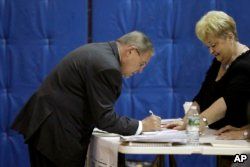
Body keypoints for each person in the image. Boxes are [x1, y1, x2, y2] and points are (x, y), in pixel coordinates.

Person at [11, 31, 161, 167]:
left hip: (49, 125)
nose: (140, 70)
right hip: (55, 133)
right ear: (131, 51)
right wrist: (142, 126)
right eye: (142, 64)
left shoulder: (102, 52)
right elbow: (105, 118)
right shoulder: (107, 66)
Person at [163, 11, 250, 132]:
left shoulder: (246, 65)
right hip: (218, 136)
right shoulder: (219, 61)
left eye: (214, 45)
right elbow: (202, 96)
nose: (211, 51)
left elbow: (225, 104)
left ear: (230, 37)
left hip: (239, 141)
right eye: (208, 47)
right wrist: (185, 121)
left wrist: (195, 124)